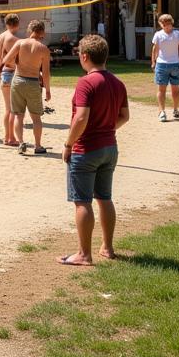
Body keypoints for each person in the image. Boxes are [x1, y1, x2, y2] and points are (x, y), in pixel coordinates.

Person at [59, 34, 129, 266]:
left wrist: (69, 144)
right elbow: (124, 116)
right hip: (110, 147)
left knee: (82, 201)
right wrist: (106, 128)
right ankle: (107, 248)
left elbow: (81, 118)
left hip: (86, 148)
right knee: (105, 198)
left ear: (85, 56)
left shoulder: (85, 82)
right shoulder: (118, 83)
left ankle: (84, 254)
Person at [3, 19, 52, 155]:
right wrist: (47, 90)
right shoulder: (44, 49)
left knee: (19, 116)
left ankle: (21, 144)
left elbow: (6, 60)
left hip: (18, 80)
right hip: (33, 82)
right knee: (36, 118)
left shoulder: (20, 43)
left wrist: (17, 63)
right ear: (42, 32)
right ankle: (38, 146)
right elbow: (46, 73)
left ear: (30, 31)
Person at [150, 13, 179, 122]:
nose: (167, 26)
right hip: (168, 64)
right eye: (165, 24)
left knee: (169, 90)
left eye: (168, 24)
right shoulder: (172, 34)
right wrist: (153, 61)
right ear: (161, 24)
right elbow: (155, 49)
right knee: (167, 89)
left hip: (168, 64)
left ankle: (169, 110)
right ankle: (168, 110)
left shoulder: (173, 34)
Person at [0, 13, 22, 146]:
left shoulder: (1, 36)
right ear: (18, 24)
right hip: (11, 73)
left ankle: (6, 136)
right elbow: (16, 60)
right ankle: (11, 138)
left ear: (6, 23)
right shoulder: (14, 39)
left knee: (7, 109)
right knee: (13, 110)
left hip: (3, 73)